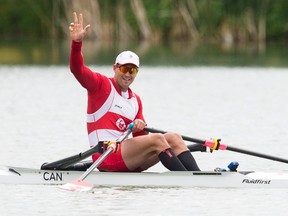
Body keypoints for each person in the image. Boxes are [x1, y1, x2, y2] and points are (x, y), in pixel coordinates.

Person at [69, 12, 200, 172]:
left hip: (127, 157)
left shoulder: (135, 100)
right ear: (115, 68)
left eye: (133, 71)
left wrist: (140, 129)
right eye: (124, 68)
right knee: (158, 139)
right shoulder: (101, 85)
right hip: (105, 157)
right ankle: (187, 179)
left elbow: (142, 140)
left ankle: (198, 176)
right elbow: (77, 70)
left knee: (174, 137)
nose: (127, 74)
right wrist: (77, 43)